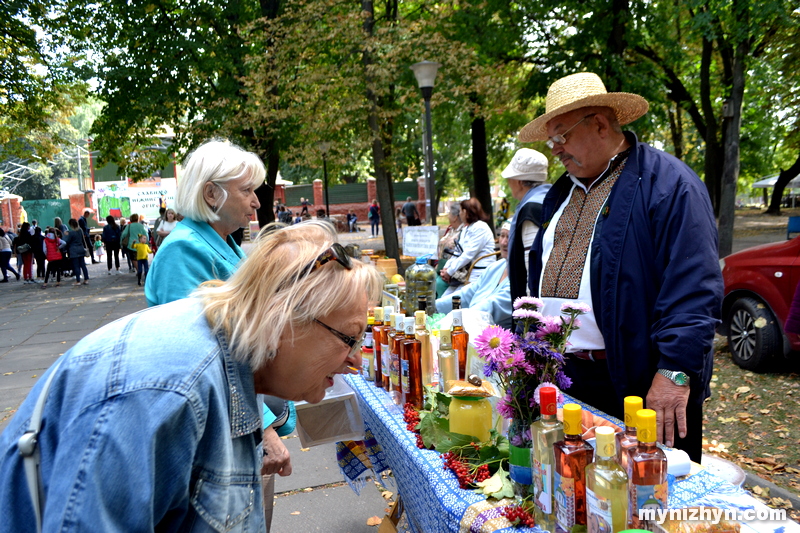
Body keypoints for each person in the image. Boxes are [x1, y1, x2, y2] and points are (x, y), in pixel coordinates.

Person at [0, 221, 381, 532]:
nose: (355, 361)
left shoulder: (231, 370)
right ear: (283, 321)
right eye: (350, 338)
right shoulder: (167, 391)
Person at [521, 72, 722, 461]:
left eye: (561, 135)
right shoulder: (560, 194)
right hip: (565, 379)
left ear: (599, 123)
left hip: (638, 381)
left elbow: (695, 287)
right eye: (551, 141)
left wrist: (675, 372)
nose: (556, 150)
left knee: (644, 502)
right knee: (575, 499)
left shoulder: (670, 184)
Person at [144, 139, 286, 530]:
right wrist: (267, 429)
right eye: (247, 190)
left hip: (235, 422)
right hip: (218, 430)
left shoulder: (222, 245)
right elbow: (206, 358)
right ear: (211, 193)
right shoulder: (185, 251)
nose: (257, 201)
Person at [436, 222, 512, 328]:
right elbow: (469, 292)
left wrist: (460, 317)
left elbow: (495, 305)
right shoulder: (495, 267)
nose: (504, 242)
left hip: (497, 338)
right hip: (471, 325)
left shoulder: (523, 275)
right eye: (502, 235)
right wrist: (434, 306)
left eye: (509, 237)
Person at [502, 148, 552, 304]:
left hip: (532, 305)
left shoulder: (531, 208)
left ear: (518, 181)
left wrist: (529, 314)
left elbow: (531, 264)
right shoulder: (549, 198)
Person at [439, 198, 496, 297]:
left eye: (461, 211)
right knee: (444, 298)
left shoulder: (481, 227)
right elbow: (458, 251)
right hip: (466, 273)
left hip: (478, 273)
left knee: (452, 300)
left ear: (465, 212)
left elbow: (468, 254)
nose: (460, 214)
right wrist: (446, 268)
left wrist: (450, 271)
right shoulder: (467, 228)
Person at [435, 204, 464, 298]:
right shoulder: (450, 229)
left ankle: (441, 307)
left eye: (449, 214)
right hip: (441, 267)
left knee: (439, 283)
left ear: (455, 217)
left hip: (455, 269)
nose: (447, 216)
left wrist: (448, 270)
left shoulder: (463, 232)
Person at [64, 218, 90, 285]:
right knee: (83, 265)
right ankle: (86, 279)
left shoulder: (71, 232)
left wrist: (66, 235)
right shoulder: (80, 230)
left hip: (73, 250)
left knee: (76, 266)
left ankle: (78, 281)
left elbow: (67, 241)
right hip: (81, 248)